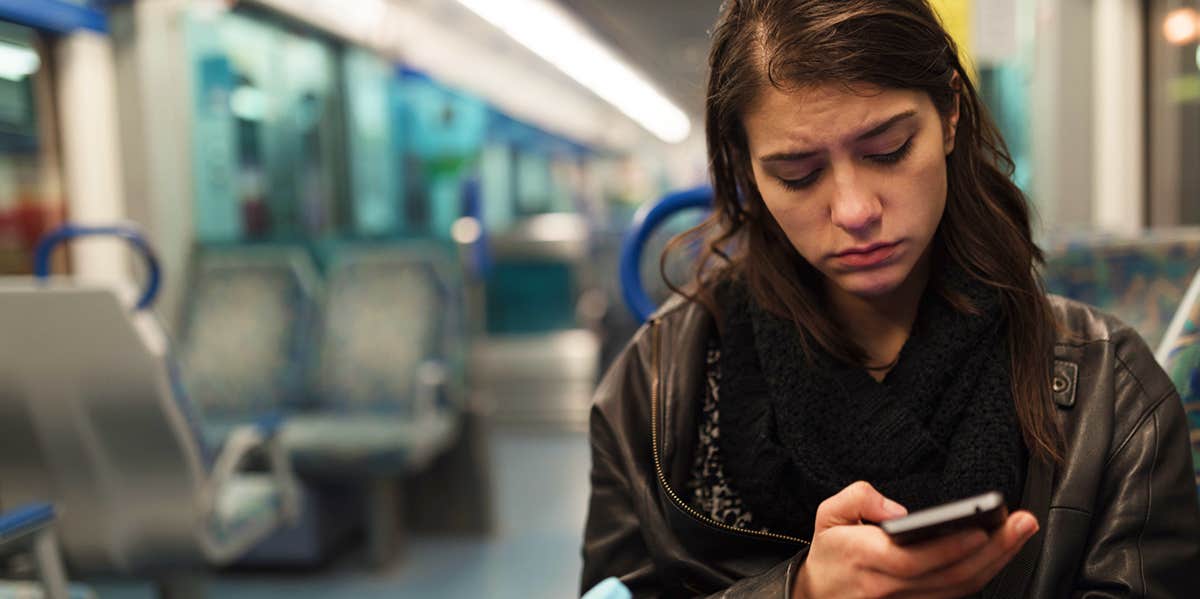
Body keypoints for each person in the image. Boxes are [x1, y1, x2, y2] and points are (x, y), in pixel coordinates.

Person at [579, 0, 1200, 597]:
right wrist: (802, 594)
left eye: (888, 151)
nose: (854, 211)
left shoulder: (1112, 395)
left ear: (951, 112)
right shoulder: (656, 387)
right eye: (798, 174)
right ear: (746, 169)